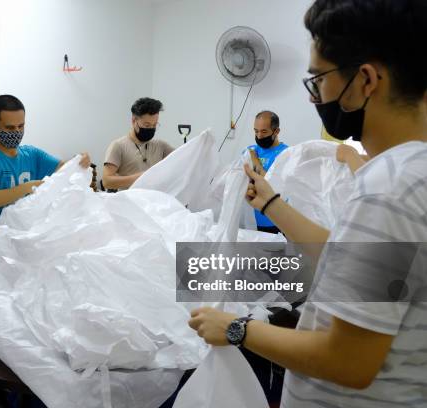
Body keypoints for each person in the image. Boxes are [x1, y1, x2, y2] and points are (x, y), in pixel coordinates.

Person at [188, 1, 427, 408]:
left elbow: (348, 361)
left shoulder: (387, 188)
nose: (316, 93)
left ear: (366, 80)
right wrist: (272, 202)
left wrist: (236, 328)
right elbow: (349, 256)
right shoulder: (411, 172)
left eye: (319, 77)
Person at [0, 95, 90, 230]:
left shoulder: (33, 155)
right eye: (10, 128)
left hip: (20, 239)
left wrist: (79, 160)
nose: (17, 132)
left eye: (21, 126)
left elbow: (64, 169)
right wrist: (27, 187)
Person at [102, 97, 174, 191]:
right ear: (134, 121)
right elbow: (107, 182)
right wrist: (138, 178)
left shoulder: (162, 146)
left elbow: (184, 157)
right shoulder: (118, 146)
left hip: (155, 203)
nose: (151, 128)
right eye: (147, 125)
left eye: (155, 125)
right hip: (130, 203)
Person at [248, 111, 288, 234]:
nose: (259, 136)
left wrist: (257, 164)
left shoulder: (286, 154)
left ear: (276, 131)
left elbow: (274, 188)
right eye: (256, 131)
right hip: (251, 220)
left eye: (264, 131)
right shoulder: (249, 151)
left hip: (275, 221)